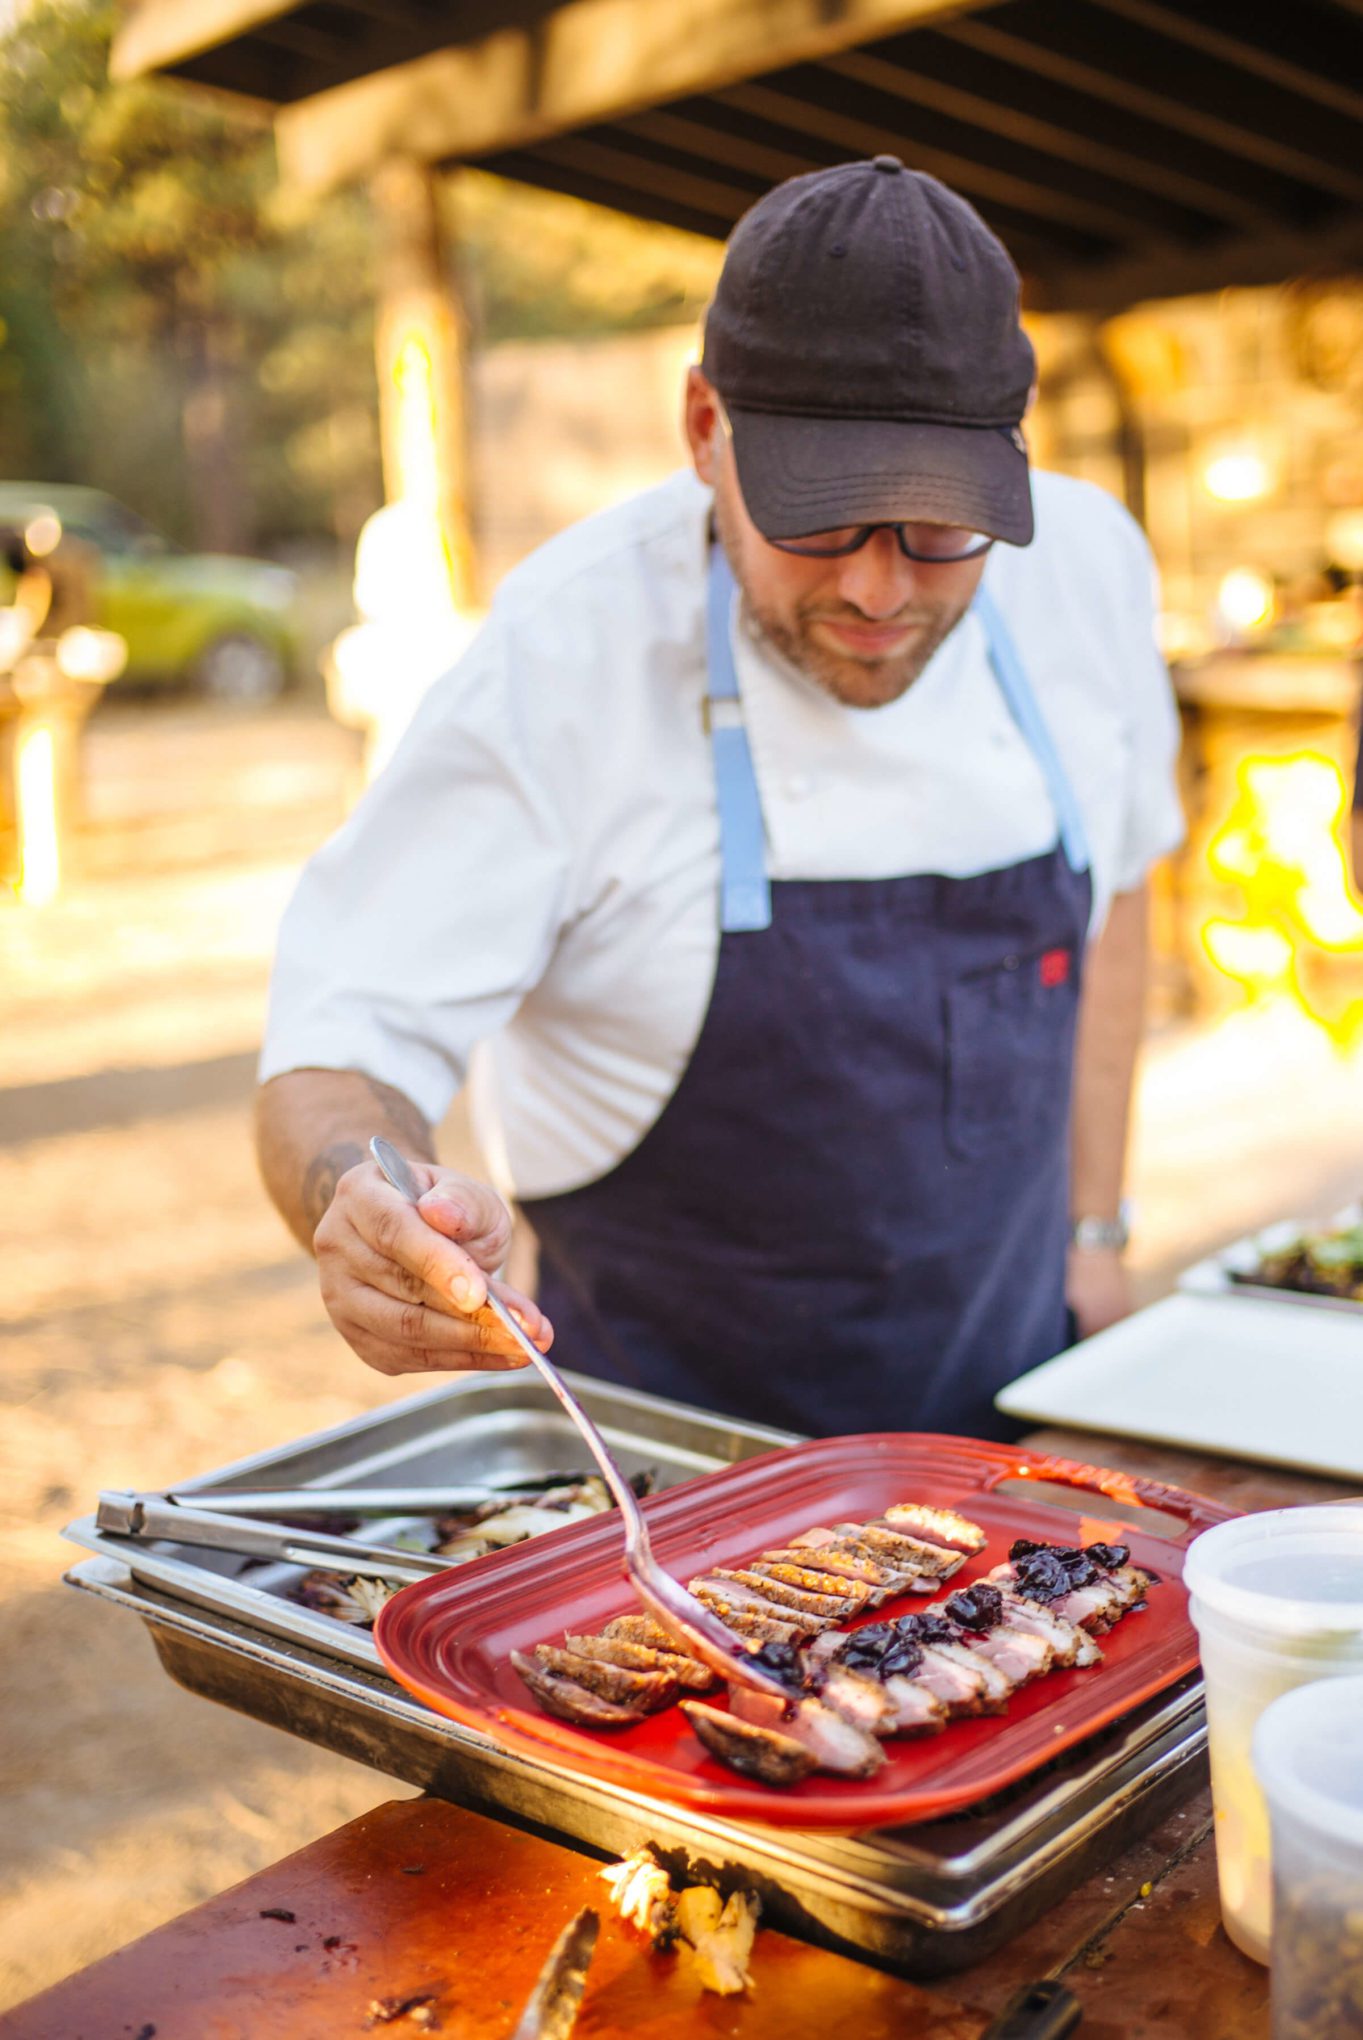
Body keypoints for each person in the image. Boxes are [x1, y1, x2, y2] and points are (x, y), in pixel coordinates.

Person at [256, 157, 1183, 1440]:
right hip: (675, 1476)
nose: (877, 589)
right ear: (704, 429)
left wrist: (1097, 1233)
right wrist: (361, 1201)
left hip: (1015, 1428)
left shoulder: (1084, 570)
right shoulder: (560, 662)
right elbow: (338, 1040)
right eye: (820, 521)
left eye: (938, 529)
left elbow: (1120, 885)